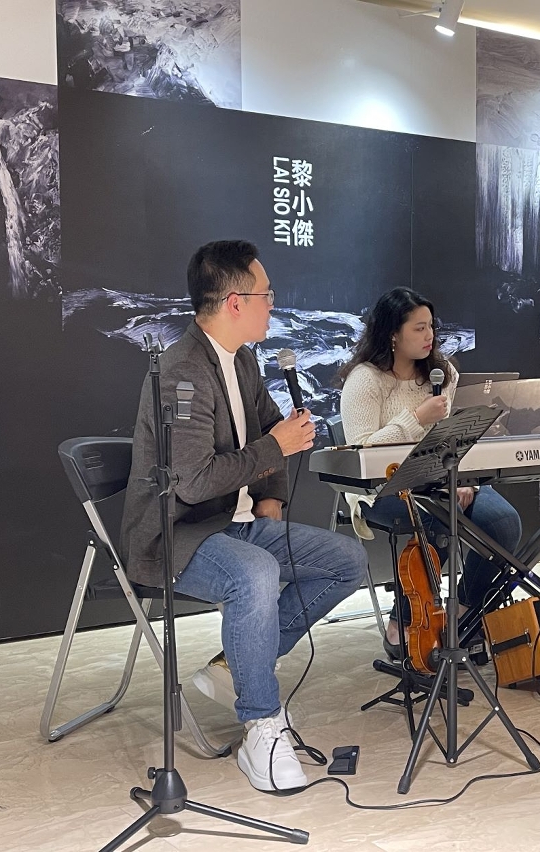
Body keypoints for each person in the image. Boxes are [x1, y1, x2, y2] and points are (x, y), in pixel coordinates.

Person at [120, 240, 368, 791]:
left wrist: (271, 494)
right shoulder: (181, 371)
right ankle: (261, 725)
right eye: (267, 295)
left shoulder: (243, 360)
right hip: (176, 534)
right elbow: (192, 481)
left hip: (235, 523)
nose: (273, 304)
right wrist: (275, 449)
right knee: (255, 573)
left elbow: (268, 430)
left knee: (347, 560)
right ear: (235, 302)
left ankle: (234, 667)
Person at [338, 287, 522, 658]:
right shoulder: (365, 379)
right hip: (382, 486)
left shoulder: (443, 373)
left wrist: (464, 479)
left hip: (441, 480)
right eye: (419, 328)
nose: (429, 336)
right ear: (393, 333)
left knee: (504, 524)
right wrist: (416, 417)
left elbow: (453, 437)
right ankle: (403, 621)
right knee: (438, 517)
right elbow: (361, 451)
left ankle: (464, 614)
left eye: (431, 327)